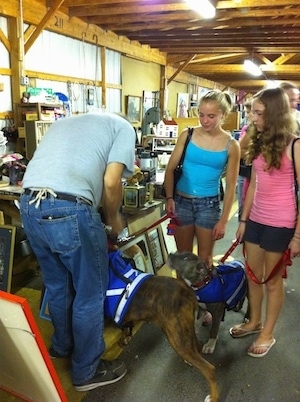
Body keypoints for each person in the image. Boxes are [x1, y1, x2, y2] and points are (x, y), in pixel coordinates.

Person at [19, 113, 136, 391]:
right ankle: (86, 370)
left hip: (28, 204)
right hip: (69, 207)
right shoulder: (123, 127)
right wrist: (113, 219)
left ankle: (61, 346)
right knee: (90, 292)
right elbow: (111, 182)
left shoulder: (65, 122)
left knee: (58, 286)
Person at [230, 87, 300, 357]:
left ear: (274, 114)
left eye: (258, 113)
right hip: (256, 219)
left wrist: (297, 236)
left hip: (281, 222)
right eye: (252, 111)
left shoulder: (295, 145)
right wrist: (244, 219)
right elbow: (254, 184)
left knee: (272, 281)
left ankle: (267, 333)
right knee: (253, 274)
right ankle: (254, 321)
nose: (252, 117)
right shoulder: (257, 141)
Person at [164, 89, 240, 267]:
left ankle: (205, 295)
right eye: (201, 115)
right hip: (181, 202)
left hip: (209, 206)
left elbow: (231, 186)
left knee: (205, 260)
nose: (205, 121)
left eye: (211, 116)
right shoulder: (187, 135)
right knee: (184, 259)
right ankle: (185, 295)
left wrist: (223, 221)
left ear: (223, 115)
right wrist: (169, 198)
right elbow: (170, 169)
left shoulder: (232, 145)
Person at [237, 101, 253, 220]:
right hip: (245, 172)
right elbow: (239, 150)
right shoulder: (248, 129)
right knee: (243, 204)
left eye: (249, 112)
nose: (247, 115)